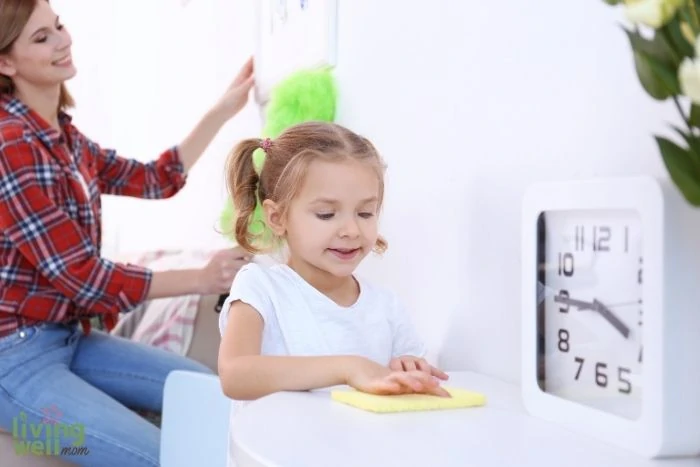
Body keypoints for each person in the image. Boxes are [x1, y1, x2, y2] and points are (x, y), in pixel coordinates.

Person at [0, 1, 253, 466]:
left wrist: (223, 110)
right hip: (11, 361)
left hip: (67, 337)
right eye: (41, 38)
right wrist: (201, 278)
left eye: (58, 27)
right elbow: (84, 278)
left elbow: (156, 178)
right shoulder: (10, 143)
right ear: (5, 62)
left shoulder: (65, 138)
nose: (62, 40)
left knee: (215, 396)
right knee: (161, 456)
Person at [218, 121, 450, 466]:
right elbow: (236, 374)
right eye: (327, 214)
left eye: (365, 213)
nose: (351, 230)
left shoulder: (385, 306)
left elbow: (406, 395)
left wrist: (409, 371)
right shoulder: (260, 287)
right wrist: (348, 367)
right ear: (278, 217)